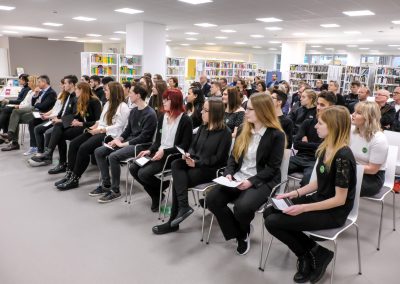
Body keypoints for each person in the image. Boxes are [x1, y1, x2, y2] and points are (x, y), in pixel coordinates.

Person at [264, 106, 357, 284]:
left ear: (334, 126)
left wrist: (303, 207)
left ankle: (308, 255)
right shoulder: (326, 148)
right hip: (320, 200)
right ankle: (314, 253)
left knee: (273, 221)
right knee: (270, 212)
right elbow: (318, 183)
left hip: (334, 211)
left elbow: (339, 199)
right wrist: (293, 193)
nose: (315, 127)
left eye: (320, 123)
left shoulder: (343, 156)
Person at [207, 93, 285, 255]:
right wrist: (228, 173)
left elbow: (272, 168)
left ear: (262, 111)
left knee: (242, 207)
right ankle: (240, 231)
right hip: (238, 177)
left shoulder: (276, 135)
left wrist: (251, 182)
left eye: (249, 109)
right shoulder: (244, 128)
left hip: (263, 180)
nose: (245, 111)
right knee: (212, 199)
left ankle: (243, 233)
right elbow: (233, 157)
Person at [152, 99, 232, 234]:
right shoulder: (202, 127)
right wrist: (189, 155)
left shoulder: (225, 133)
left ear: (214, 113)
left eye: (205, 110)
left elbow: (219, 159)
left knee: (180, 179)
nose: (201, 112)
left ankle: (174, 220)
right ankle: (183, 207)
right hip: (195, 163)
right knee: (176, 163)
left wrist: (197, 163)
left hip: (211, 170)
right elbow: (193, 147)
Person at [55, 82, 129, 190]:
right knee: (74, 144)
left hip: (110, 135)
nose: (105, 92)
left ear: (113, 92)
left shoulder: (123, 107)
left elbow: (120, 126)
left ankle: (75, 178)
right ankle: (69, 173)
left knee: (83, 148)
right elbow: (102, 119)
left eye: (107, 90)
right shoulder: (108, 104)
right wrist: (95, 125)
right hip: (100, 130)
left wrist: (102, 129)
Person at [129, 89, 192, 211]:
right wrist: (149, 150)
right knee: (133, 168)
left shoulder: (185, 120)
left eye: (166, 100)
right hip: (157, 152)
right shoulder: (162, 117)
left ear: (175, 101)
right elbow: (157, 141)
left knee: (143, 173)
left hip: (172, 156)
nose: (163, 102)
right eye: (163, 99)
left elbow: (184, 146)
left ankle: (157, 194)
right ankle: (158, 192)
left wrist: (164, 152)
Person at [92, 84, 157, 203]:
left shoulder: (150, 114)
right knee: (99, 152)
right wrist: (118, 139)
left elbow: (144, 138)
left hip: (140, 146)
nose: (129, 94)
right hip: (129, 142)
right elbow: (127, 130)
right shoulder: (134, 111)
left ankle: (115, 190)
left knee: (113, 156)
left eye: (131, 92)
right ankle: (106, 184)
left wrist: (123, 144)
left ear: (138, 95)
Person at [30, 81, 102, 171]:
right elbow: (76, 116)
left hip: (88, 127)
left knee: (59, 133)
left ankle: (54, 157)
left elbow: (98, 121)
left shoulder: (94, 101)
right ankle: (56, 159)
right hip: (79, 125)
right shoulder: (80, 100)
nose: (75, 91)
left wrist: (81, 123)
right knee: (58, 127)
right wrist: (65, 120)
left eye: (76, 89)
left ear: (82, 90)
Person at [288, 91, 336, 186]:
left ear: (331, 107)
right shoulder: (307, 122)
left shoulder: (334, 127)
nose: (318, 107)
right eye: (317, 104)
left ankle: (300, 199)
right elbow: (297, 144)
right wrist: (317, 145)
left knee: (308, 180)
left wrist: (306, 143)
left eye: (322, 105)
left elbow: (326, 149)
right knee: (277, 167)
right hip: (300, 157)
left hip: (317, 160)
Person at [1, 75, 57, 151]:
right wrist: (36, 95)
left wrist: (35, 104)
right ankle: (12, 139)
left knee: (13, 114)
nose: (38, 83)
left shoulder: (51, 93)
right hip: (33, 110)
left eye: (39, 82)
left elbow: (41, 106)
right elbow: (33, 103)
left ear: (44, 82)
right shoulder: (38, 91)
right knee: (13, 116)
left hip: (41, 113)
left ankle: (12, 138)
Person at [32, 75, 78, 159]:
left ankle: (48, 155)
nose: (63, 86)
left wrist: (58, 119)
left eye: (64, 83)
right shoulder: (67, 95)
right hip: (60, 120)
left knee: (50, 132)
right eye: (62, 84)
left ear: (71, 84)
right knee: (37, 127)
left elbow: (74, 115)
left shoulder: (74, 97)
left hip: (67, 122)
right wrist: (49, 115)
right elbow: (60, 111)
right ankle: (44, 153)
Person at [350, 101, 389, 197]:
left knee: (340, 185)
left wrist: (347, 167)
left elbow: (372, 169)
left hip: (372, 178)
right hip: (353, 170)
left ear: (369, 118)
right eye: (354, 112)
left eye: (358, 113)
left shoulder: (379, 139)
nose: (353, 115)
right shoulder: (351, 131)